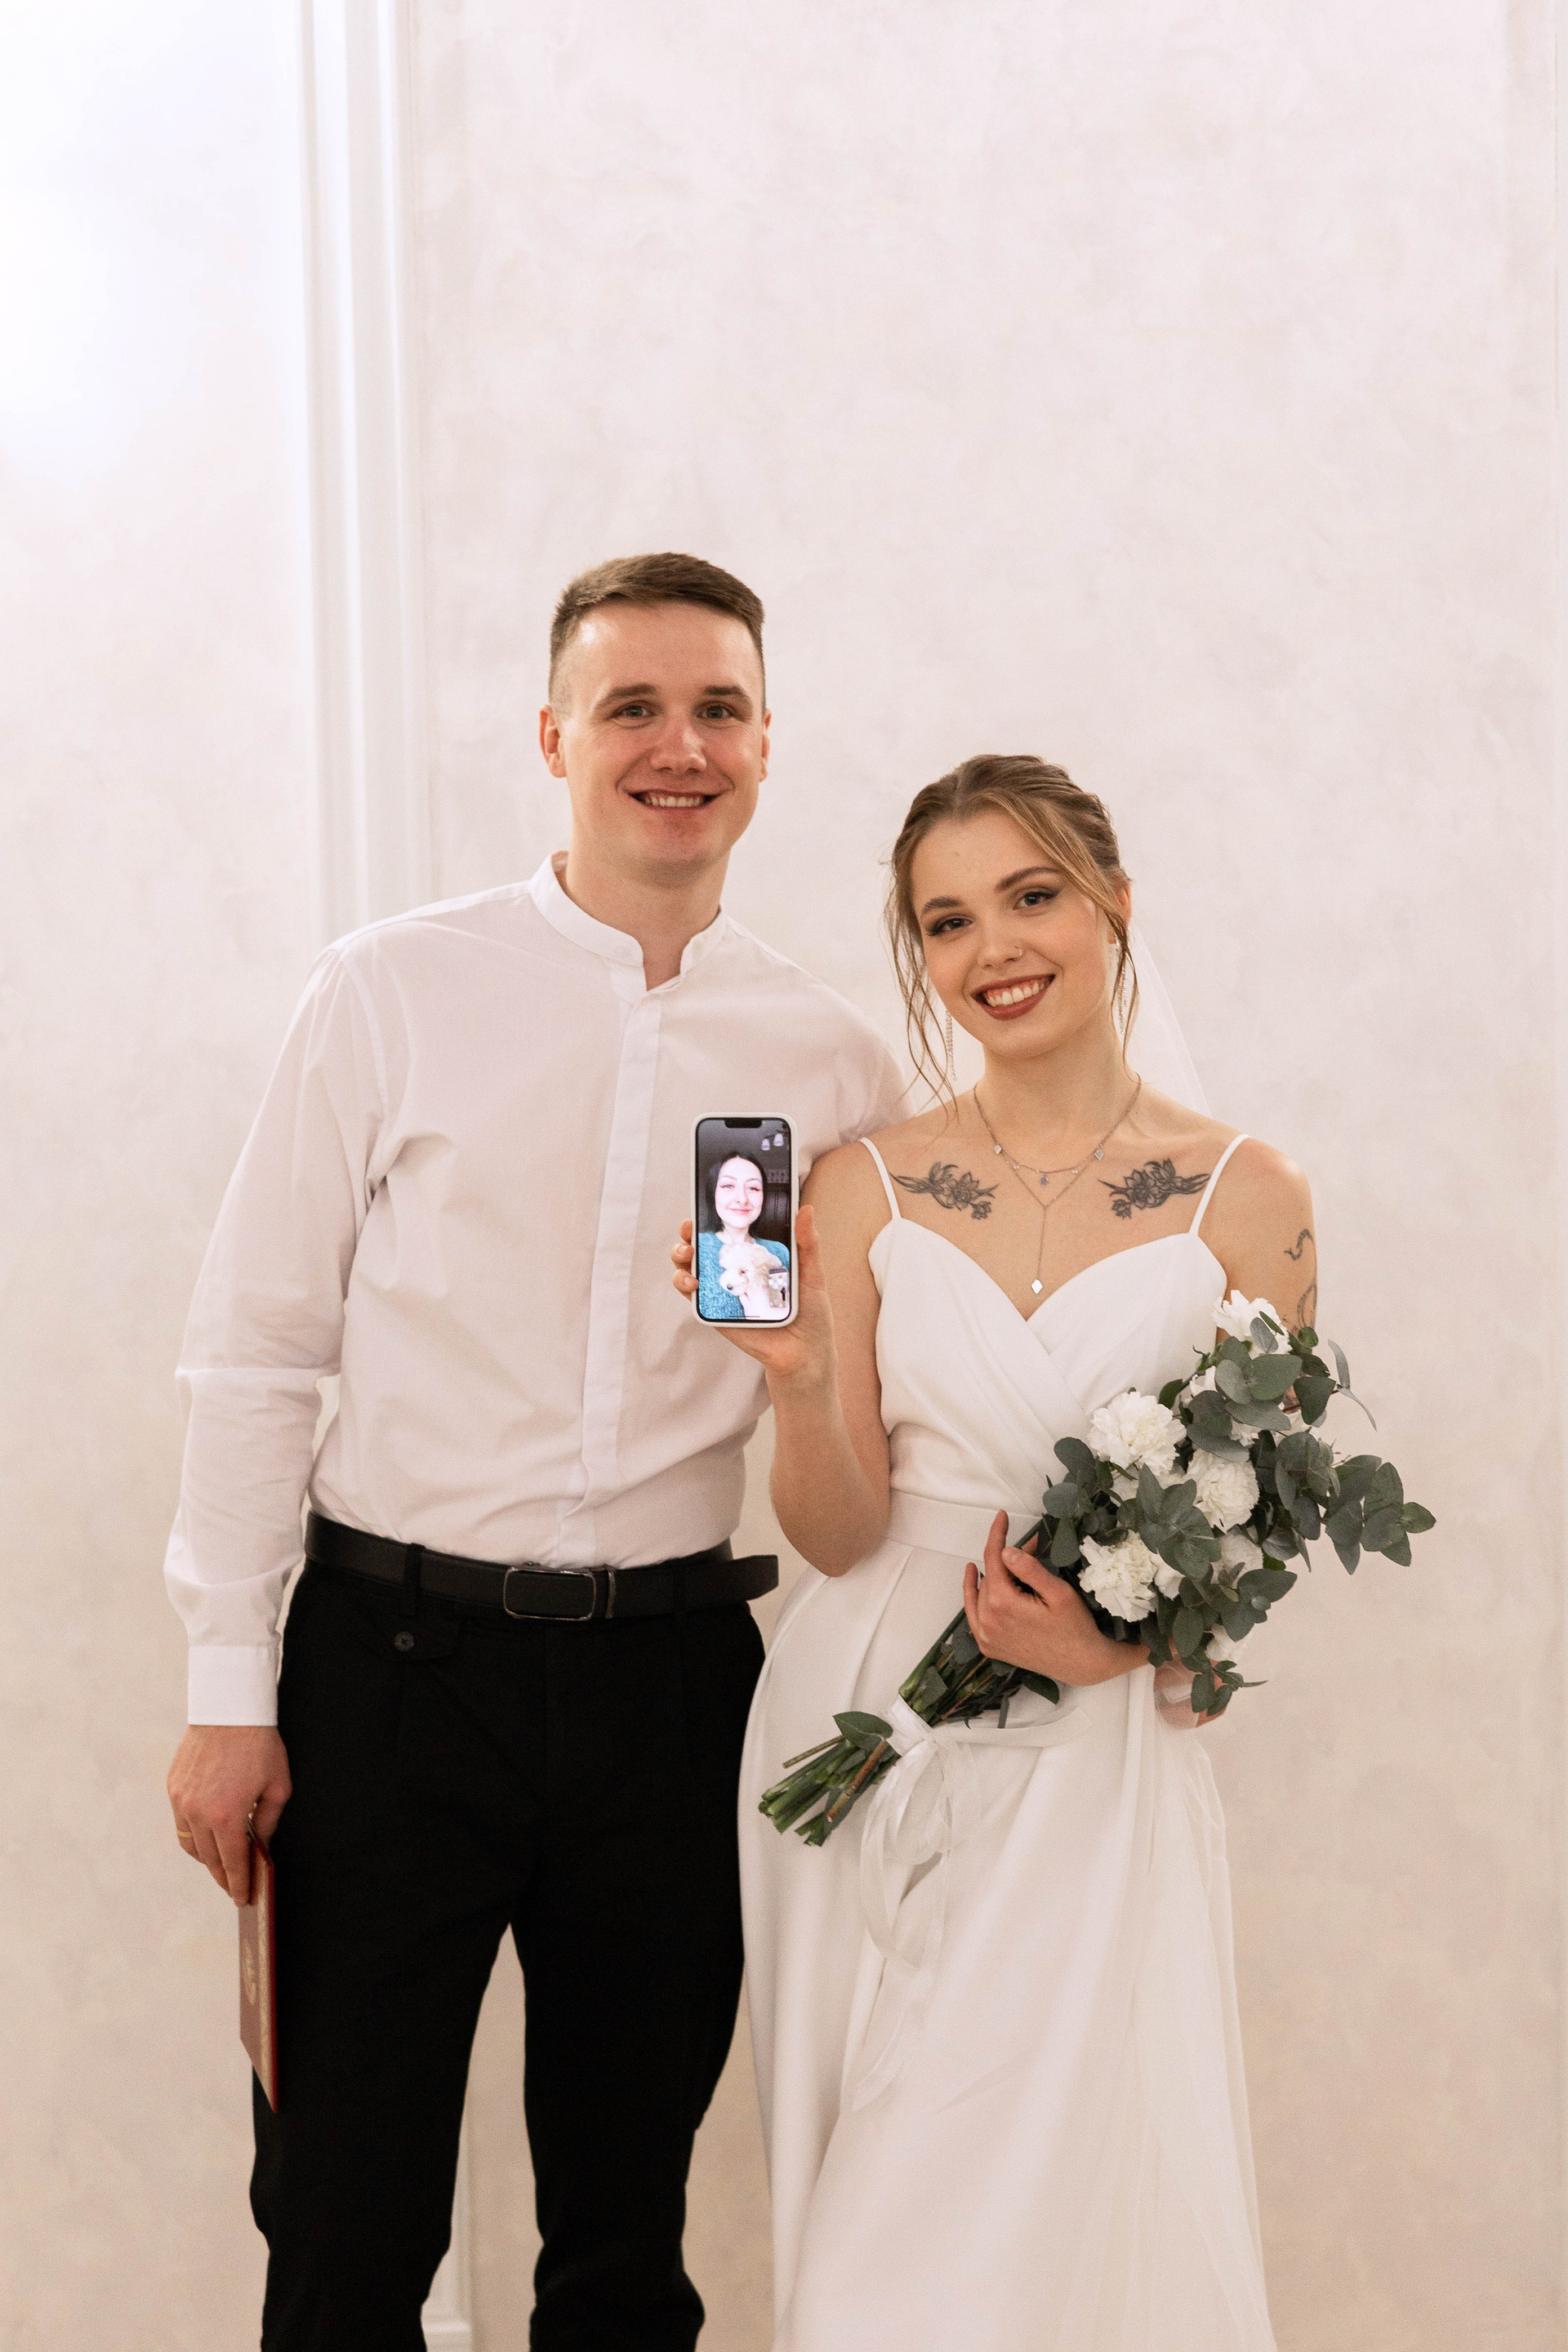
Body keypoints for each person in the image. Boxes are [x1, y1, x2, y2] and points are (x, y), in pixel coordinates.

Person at [162, 550, 905, 2352]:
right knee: (342, 2226)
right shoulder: (390, 992)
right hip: (389, 1679)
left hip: (674, 1691)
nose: (678, 746)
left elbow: (875, 1397)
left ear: (768, 741)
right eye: (632, 706)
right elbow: (257, 1352)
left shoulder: (832, 1061)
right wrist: (227, 1690)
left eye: (718, 708)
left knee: (626, 2245)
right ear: (555, 735)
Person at [672, 755, 1313, 2350]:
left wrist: (1116, 1645)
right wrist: (800, 1378)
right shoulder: (860, 1186)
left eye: (1031, 896)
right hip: (865, 1725)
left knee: (1055, 2194)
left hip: (1092, 1749)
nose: (993, 948)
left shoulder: (1251, 1197)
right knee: (878, 2215)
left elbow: (1256, 1532)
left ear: (1114, 904)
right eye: (946, 920)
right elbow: (836, 1531)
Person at [697, 1149, 792, 1321]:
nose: (742, 1199)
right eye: (728, 1186)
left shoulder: (779, 1252)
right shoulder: (697, 1246)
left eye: (753, 1188)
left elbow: (781, 1305)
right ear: (713, 1193)